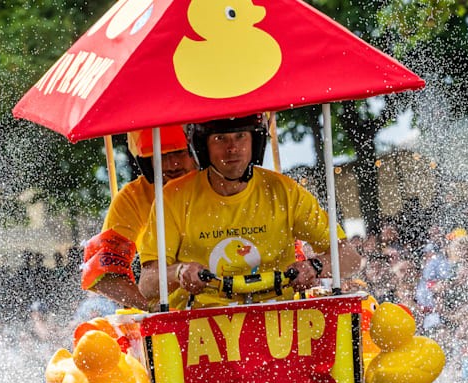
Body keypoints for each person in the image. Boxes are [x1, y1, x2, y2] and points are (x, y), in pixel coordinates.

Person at [137, 114, 360, 310]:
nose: (232, 148)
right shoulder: (172, 198)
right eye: (220, 138)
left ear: (256, 141)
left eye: (241, 136)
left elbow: (349, 258)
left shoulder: (285, 191)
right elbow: (147, 284)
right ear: (202, 147)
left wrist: (316, 266)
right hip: (198, 328)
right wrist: (179, 272)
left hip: (280, 321)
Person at [81, 125, 196, 310]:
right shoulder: (133, 198)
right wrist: (152, 308)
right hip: (168, 311)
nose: (173, 164)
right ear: (145, 160)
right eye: (161, 155)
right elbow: (102, 274)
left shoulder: (221, 183)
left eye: (181, 153)